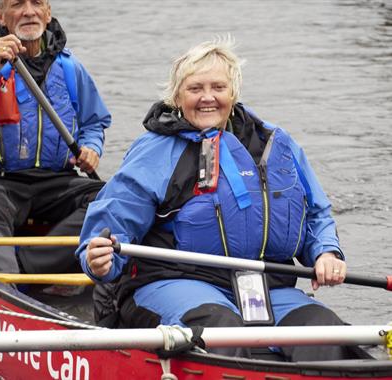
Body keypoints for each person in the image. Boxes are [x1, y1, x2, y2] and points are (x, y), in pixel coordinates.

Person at [76, 37, 356, 361]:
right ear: (177, 96)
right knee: (222, 332)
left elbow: (316, 213)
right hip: (175, 282)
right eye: (195, 88)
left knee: (328, 333)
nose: (207, 97)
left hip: (265, 288)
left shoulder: (275, 143)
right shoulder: (155, 150)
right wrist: (99, 259)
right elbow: (110, 225)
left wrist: (326, 252)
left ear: (233, 93)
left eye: (218, 87)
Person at [0, 0, 111, 275]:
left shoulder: (70, 67)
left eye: (37, 3)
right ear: (1, 16)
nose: (29, 11)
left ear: (48, 12)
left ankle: (26, 268)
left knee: (113, 200)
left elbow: (94, 123)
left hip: (54, 181)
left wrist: (91, 148)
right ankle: (4, 289)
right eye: (18, 4)